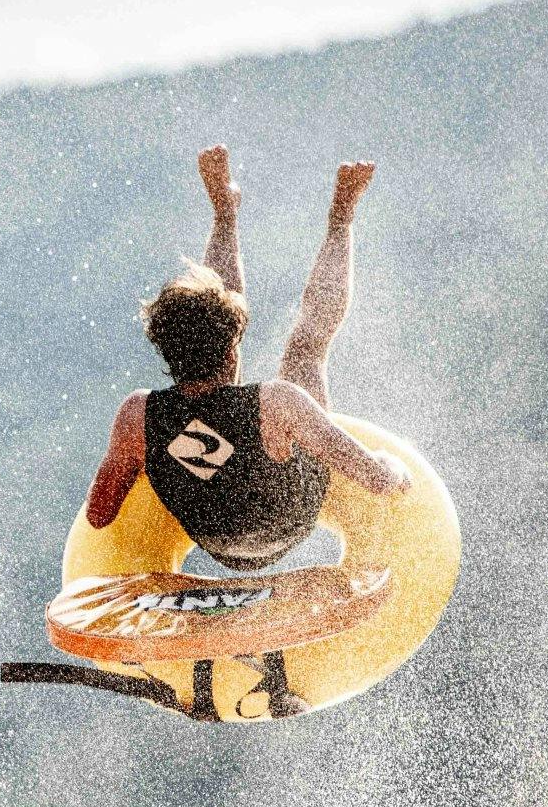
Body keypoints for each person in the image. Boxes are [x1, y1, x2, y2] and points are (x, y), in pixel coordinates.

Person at [83, 145, 411, 572]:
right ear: (232, 349)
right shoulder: (278, 405)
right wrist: (397, 468)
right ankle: (340, 218)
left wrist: (152, 458)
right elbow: (378, 481)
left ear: (164, 348)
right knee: (306, 348)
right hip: (291, 520)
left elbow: (99, 514)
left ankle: (224, 212)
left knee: (269, 352)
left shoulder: (137, 418)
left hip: (213, 541)